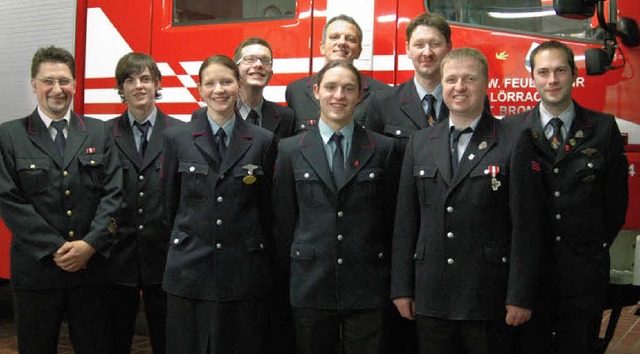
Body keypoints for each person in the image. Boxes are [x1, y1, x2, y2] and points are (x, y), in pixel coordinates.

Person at [391, 48, 544, 354]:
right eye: (451, 79)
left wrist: (520, 295)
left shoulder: (513, 139)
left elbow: (526, 226)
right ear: (442, 85)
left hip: (486, 295)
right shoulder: (421, 142)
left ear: (485, 83)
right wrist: (401, 287)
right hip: (431, 294)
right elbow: (406, 221)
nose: (459, 87)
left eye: (469, 79)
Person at [507, 40, 628, 354]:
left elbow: (615, 203)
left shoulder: (602, 128)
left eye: (560, 70)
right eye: (543, 72)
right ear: (532, 76)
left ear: (574, 74)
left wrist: (591, 246)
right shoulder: (512, 130)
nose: (552, 80)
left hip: (583, 276)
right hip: (531, 278)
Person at [0, 46, 122, 353]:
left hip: (91, 270)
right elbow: (8, 199)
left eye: (64, 81)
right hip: (36, 272)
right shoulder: (9, 135)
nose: (57, 89)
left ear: (75, 84)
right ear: (33, 84)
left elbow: (114, 193)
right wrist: (55, 249)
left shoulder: (98, 131)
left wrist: (90, 243)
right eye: (48, 81)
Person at [273, 60, 400, 354]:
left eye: (348, 89)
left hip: (366, 282)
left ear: (360, 95)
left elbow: (392, 218)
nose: (338, 95)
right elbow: (283, 220)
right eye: (330, 87)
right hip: (310, 283)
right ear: (316, 92)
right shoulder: (290, 149)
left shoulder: (384, 148)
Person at [161, 54, 277, 354]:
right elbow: (168, 204)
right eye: (210, 83)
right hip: (189, 269)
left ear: (239, 85)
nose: (219, 90)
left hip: (243, 271)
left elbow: (267, 210)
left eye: (226, 82)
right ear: (199, 90)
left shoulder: (263, 141)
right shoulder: (177, 138)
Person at [104, 52, 183, 354]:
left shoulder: (179, 133)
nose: (138, 86)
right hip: (116, 258)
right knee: (114, 338)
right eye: (130, 80)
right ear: (121, 88)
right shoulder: (104, 133)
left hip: (164, 257)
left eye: (146, 79)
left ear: (157, 85)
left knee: (168, 340)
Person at [285, 14, 390, 132]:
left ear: (359, 51)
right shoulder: (295, 91)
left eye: (350, 39)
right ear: (322, 47)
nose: (342, 43)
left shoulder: (383, 94)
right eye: (334, 37)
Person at [366, 12, 451, 154]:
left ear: (448, 48)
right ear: (408, 49)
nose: (427, 52)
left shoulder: (468, 101)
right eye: (419, 45)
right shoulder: (382, 102)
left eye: (435, 44)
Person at [234, 37, 296, 140]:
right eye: (249, 59)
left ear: (271, 74)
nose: (258, 64)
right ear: (235, 70)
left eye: (265, 60)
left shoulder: (286, 117)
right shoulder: (222, 113)